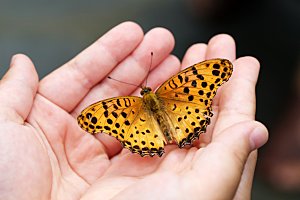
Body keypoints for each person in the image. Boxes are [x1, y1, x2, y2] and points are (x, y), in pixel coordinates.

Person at [0, 21, 268, 199]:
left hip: (145, 132)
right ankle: (181, 134)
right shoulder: (172, 87)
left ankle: (163, 140)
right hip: (185, 116)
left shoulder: (123, 106)